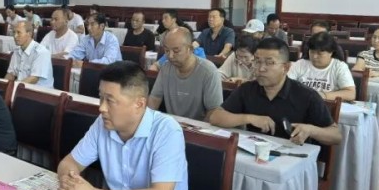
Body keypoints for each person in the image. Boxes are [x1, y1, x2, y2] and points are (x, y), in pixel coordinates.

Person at [56, 61, 190, 190]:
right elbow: (69, 163)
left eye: (110, 101)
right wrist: (70, 186)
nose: (102, 108)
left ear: (139, 104)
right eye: (101, 98)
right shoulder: (102, 123)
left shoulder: (167, 130)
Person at [207, 38, 342, 146]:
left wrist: (311, 130)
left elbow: (336, 136)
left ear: (286, 67)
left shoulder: (306, 95)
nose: (261, 69)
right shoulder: (247, 89)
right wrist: (249, 118)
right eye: (257, 61)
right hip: (255, 154)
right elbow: (215, 117)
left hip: (291, 159)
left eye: (269, 63)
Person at [149, 29, 222, 121]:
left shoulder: (208, 71)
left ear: (190, 49)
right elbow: (154, 99)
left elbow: (213, 111)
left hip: (198, 126)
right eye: (167, 50)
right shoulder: (165, 68)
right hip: (172, 124)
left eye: (176, 51)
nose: (170, 56)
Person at [288, 33, 356, 101]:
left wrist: (322, 96)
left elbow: (350, 94)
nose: (314, 56)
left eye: (320, 53)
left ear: (331, 52)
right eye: (312, 52)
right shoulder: (300, 64)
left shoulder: (339, 67)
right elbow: (285, 85)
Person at [6, 21, 53, 88]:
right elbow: (11, 74)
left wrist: (13, 88)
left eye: (19, 32)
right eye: (14, 32)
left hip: (40, 91)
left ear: (29, 34)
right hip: (21, 88)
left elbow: (33, 79)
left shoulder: (41, 52)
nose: (15, 36)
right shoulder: (16, 51)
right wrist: (4, 86)